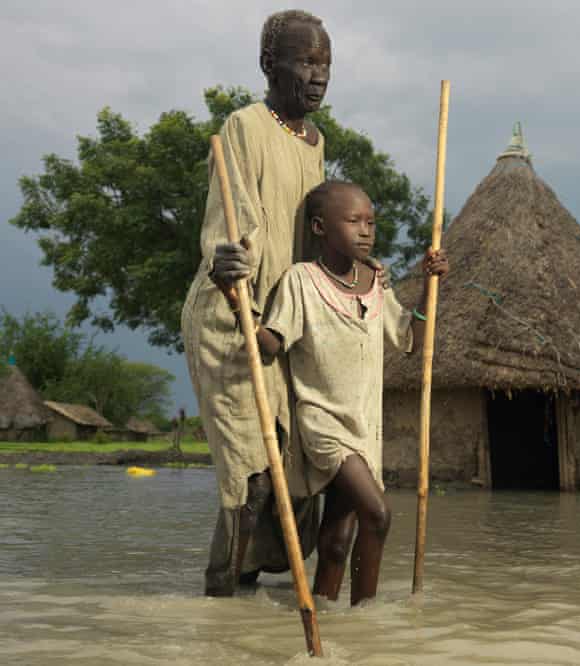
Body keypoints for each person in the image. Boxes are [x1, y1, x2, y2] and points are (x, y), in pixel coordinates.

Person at [181, 10, 384, 597]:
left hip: (286, 324)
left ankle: (245, 584)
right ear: (270, 65)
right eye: (305, 62)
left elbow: (316, 236)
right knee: (251, 477)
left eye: (326, 65)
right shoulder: (243, 125)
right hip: (233, 318)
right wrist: (226, 259)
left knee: (289, 475)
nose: (318, 76)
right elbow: (233, 218)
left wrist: (361, 271)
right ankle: (221, 608)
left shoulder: (317, 143)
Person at [216, 180, 450, 605]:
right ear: (321, 228)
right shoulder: (300, 281)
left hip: (365, 427)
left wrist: (430, 289)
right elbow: (271, 343)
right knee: (377, 515)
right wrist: (234, 296)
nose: (366, 231)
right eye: (354, 221)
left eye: (371, 222)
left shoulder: (376, 283)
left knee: (339, 537)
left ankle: (324, 612)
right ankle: (366, 617)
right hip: (322, 422)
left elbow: (409, 337)